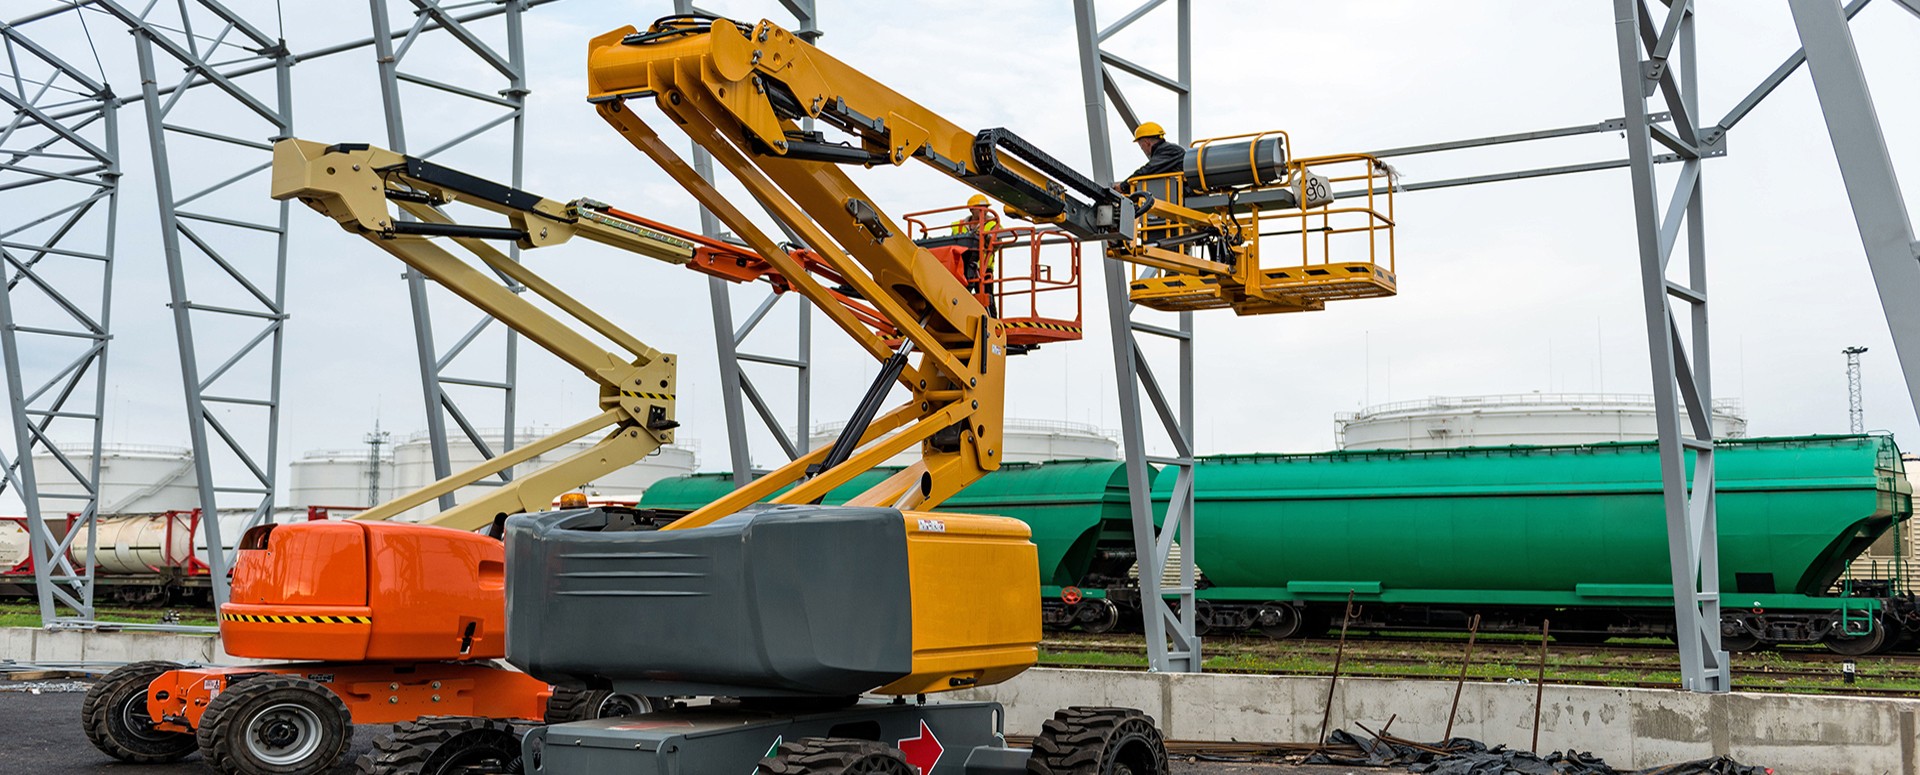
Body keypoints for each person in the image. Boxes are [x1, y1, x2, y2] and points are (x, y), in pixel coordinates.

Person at [1116, 121, 1184, 194]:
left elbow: (1148, 170)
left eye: (1140, 144)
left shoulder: (1169, 150)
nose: (1141, 148)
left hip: (1183, 192)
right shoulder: (1166, 151)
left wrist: (1123, 186)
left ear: (1146, 142)